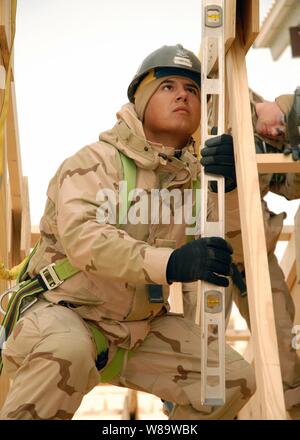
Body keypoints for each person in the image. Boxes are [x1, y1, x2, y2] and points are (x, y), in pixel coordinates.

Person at [0, 44, 255, 420]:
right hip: (65, 314)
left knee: (232, 379)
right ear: (140, 98)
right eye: (168, 85)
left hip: (141, 329)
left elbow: (233, 252)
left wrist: (231, 189)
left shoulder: (198, 182)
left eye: (193, 90)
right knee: (65, 349)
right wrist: (170, 263)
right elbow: (84, 239)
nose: (183, 94)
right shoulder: (93, 163)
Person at [200, 88, 300, 415]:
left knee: (280, 336)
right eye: (281, 122)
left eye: (283, 133)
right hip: (207, 251)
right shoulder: (225, 96)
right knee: (202, 348)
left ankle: (291, 410)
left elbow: (286, 188)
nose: (275, 131)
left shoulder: (275, 143)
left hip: (251, 250)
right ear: (277, 101)